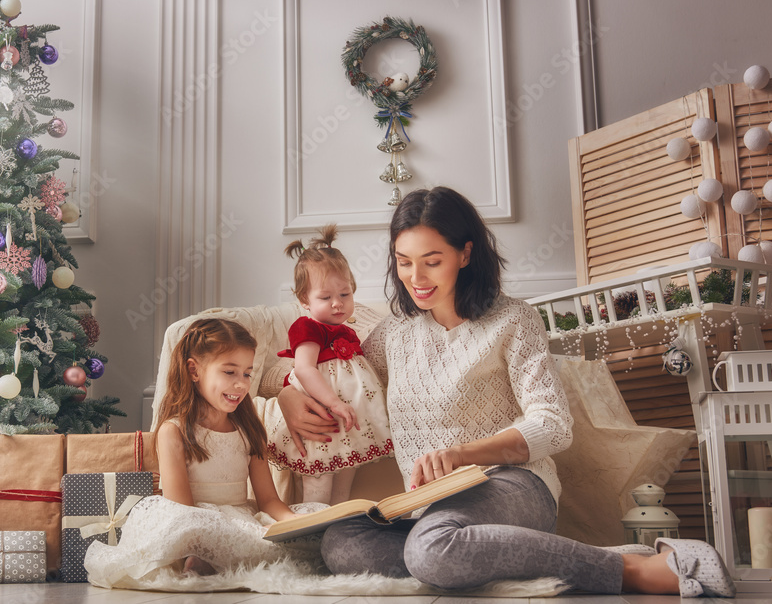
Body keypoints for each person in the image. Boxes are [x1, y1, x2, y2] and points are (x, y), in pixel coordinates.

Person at [276, 187, 735, 598]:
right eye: (403, 261)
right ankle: (467, 559)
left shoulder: (513, 320)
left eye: (432, 260)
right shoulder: (395, 333)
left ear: (465, 253)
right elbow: (340, 374)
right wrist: (288, 396)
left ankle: (628, 568)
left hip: (513, 485)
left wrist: (463, 453)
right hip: (430, 507)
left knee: (432, 549)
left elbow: (553, 424)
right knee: (342, 544)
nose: (416, 277)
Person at [85, 318, 322, 588]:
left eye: (247, 373)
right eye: (229, 372)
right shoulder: (173, 431)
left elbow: (268, 500)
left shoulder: (249, 428)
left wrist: (293, 522)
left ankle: (223, 559)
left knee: (308, 528)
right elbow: (182, 511)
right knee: (212, 536)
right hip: (192, 521)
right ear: (194, 370)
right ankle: (199, 560)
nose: (241, 384)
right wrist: (212, 537)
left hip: (239, 517)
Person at [267, 224, 393, 505]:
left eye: (345, 294)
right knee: (319, 484)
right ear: (304, 300)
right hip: (324, 416)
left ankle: (340, 529)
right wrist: (334, 403)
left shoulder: (349, 330)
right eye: (325, 297)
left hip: (349, 426)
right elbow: (304, 369)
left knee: (345, 483)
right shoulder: (308, 328)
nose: (337, 304)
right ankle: (314, 535)